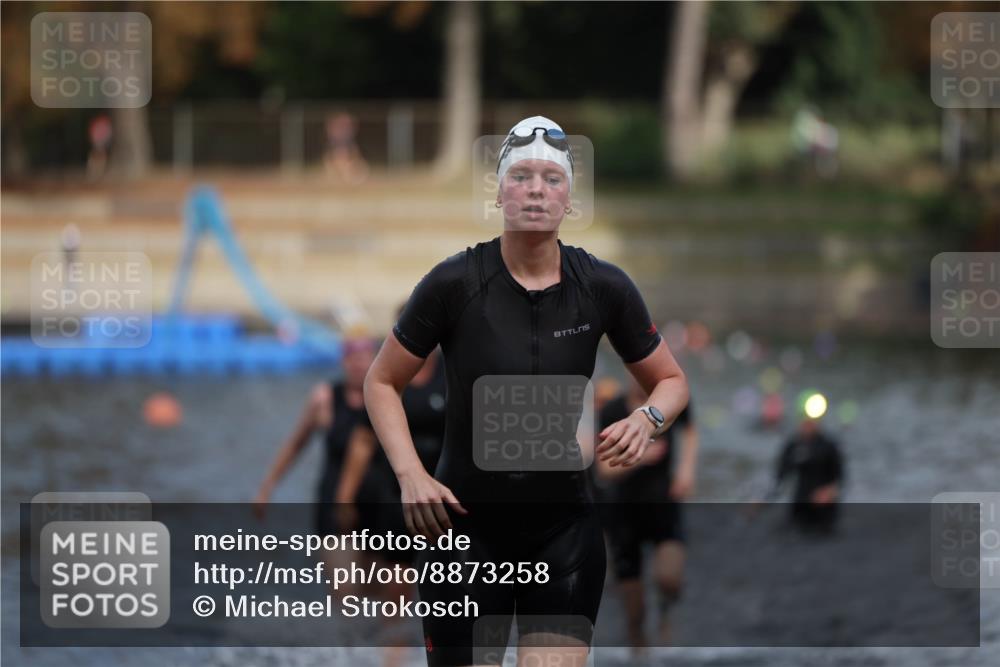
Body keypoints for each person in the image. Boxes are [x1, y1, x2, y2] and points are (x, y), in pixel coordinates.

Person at [363, 115, 689, 667]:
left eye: (551, 178)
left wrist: (647, 420)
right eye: (521, 176)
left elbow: (672, 381)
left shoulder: (604, 288)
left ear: (570, 200)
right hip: (461, 534)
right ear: (498, 194)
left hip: (563, 535)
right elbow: (381, 380)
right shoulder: (453, 283)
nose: (536, 189)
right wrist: (410, 474)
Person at [253, 334, 382, 595]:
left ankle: (373, 637)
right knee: (345, 591)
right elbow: (295, 444)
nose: (358, 365)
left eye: (363, 358)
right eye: (351, 359)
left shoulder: (386, 398)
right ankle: (342, 636)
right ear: (343, 362)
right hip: (334, 502)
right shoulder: (325, 398)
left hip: (379, 503)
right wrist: (267, 487)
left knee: (377, 596)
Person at [595, 380, 698, 651]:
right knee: (635, 615)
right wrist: (638, 455)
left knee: (669, 578)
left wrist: (686, 470)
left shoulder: (668, 402)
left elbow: (690, 430)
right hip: (623, 514)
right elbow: (603, 471)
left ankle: (665, 615)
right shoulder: (613, 409)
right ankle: (639, 651)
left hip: (664, 506)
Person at [771, 416, 844, 533]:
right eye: (805, 423)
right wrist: (762, 499)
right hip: (800, 503)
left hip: (823, 506)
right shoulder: (793, 446)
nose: (807, 426)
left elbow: (840, 477)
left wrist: (829, 492)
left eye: (811, 423)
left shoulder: (829, 446)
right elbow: (780, 475)